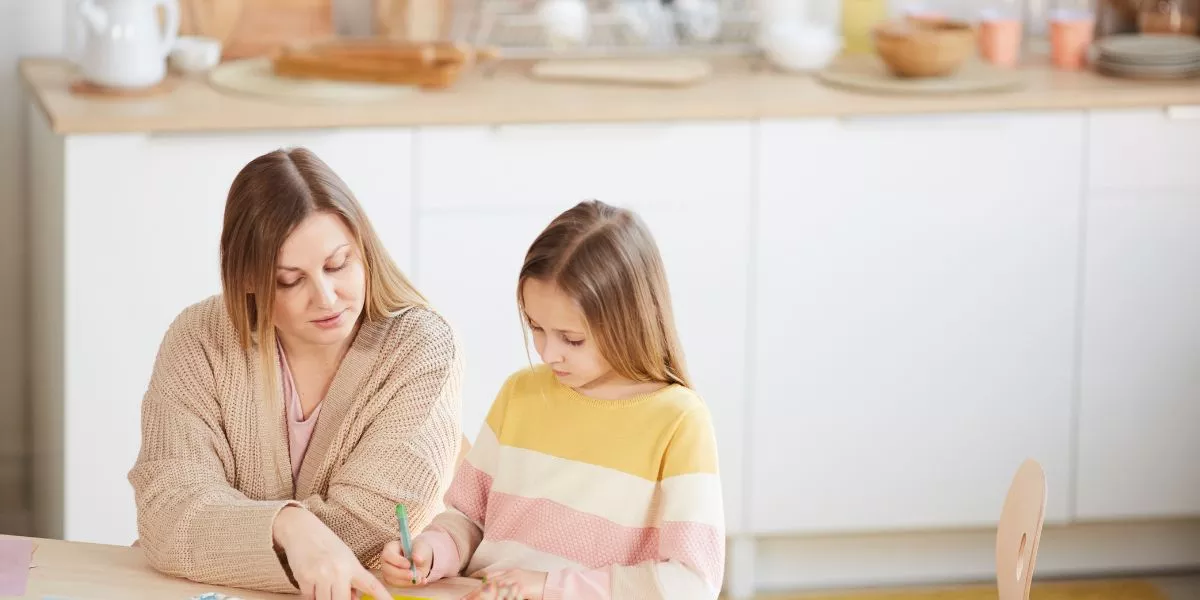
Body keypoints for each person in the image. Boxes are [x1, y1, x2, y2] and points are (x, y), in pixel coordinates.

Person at [128, 147, 463, 600]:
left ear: (363, 249)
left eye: (338, 264)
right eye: (290, 280)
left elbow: (372, 523)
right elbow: (167, 512)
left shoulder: (420, 346)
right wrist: (288, 524)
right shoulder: (199, 338)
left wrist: (224, 535)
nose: (326, 298)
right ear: (247, 279)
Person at [380, 200, 725, 600]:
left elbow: (691, 582)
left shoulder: (678, 421)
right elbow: (467, 517)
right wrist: (433, 551)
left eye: (571, 339)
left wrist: (548, 587)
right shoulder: (520, 393)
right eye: (536, 327)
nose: (547, 353)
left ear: (631, 321)